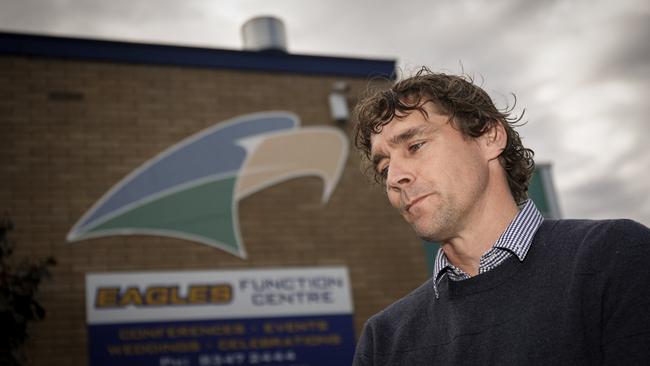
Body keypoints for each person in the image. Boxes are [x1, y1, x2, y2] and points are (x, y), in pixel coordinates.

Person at [351, 67, 650, 365]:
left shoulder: (614, 259)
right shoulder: (384, 341)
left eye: (415, 146)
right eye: (384, 167)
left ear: (490, 137)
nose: (394, 178)